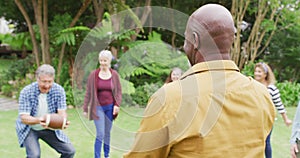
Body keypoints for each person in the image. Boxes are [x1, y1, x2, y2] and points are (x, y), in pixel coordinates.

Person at [124, 4, 275, 157]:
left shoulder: (169, 99)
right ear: (232, 40)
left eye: (185, 39)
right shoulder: (261, 95)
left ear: (195, 41)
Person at [15, 64, 75, 158]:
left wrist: (63, 122)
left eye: (50, 82)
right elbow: (24, 118)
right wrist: (41, 120)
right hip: (30, 129)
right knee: (34, 155)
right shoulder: (26, 92)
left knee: (69, 151)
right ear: (37, 79)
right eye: (44, 81)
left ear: (53, 79)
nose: (47, 85)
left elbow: (62, 112)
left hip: (49, 128)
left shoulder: (59, 90)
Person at [83, 50, 122, 158]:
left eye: (105, 60)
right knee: (100, 133)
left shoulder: (114, 75)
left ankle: (106, 154)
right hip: (97, 108)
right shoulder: (94, 75)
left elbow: (118, 91)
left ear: (109, 61)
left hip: (110, 107)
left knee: (107, 133)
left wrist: (117, 105)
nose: (103, 63)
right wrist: (85, 108)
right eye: (101, 60)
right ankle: (97, 156)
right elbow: (88, 92)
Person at [254, 62, 292, 158]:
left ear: (265, 74)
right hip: (254, 120)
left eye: (259, 71)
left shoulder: (271, 89)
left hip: (267, 120)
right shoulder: (252, 86)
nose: (257, 73)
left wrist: (286, 119)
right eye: (256, 71)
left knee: (266, 142)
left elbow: (279, 105)